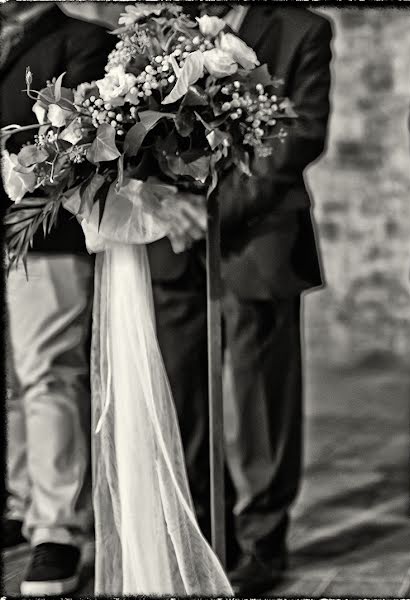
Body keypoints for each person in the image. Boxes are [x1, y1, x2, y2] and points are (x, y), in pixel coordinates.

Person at [145, 4, 331, 595]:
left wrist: (215, 211)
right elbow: (136, 130)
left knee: (260, 400)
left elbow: (301, 132)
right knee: (182, 396)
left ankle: (261, 539)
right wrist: (163, 203)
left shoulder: (303, 29)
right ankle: (206, 532)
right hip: (171, 239)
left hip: (259, 238)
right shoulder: (150, 31)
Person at [1, 4, 115, 594]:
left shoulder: (83, 40)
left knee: (48, 374)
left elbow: (80, 148)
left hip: (45, 233)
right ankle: (22, 505)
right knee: (12, 381)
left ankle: (59, 530)